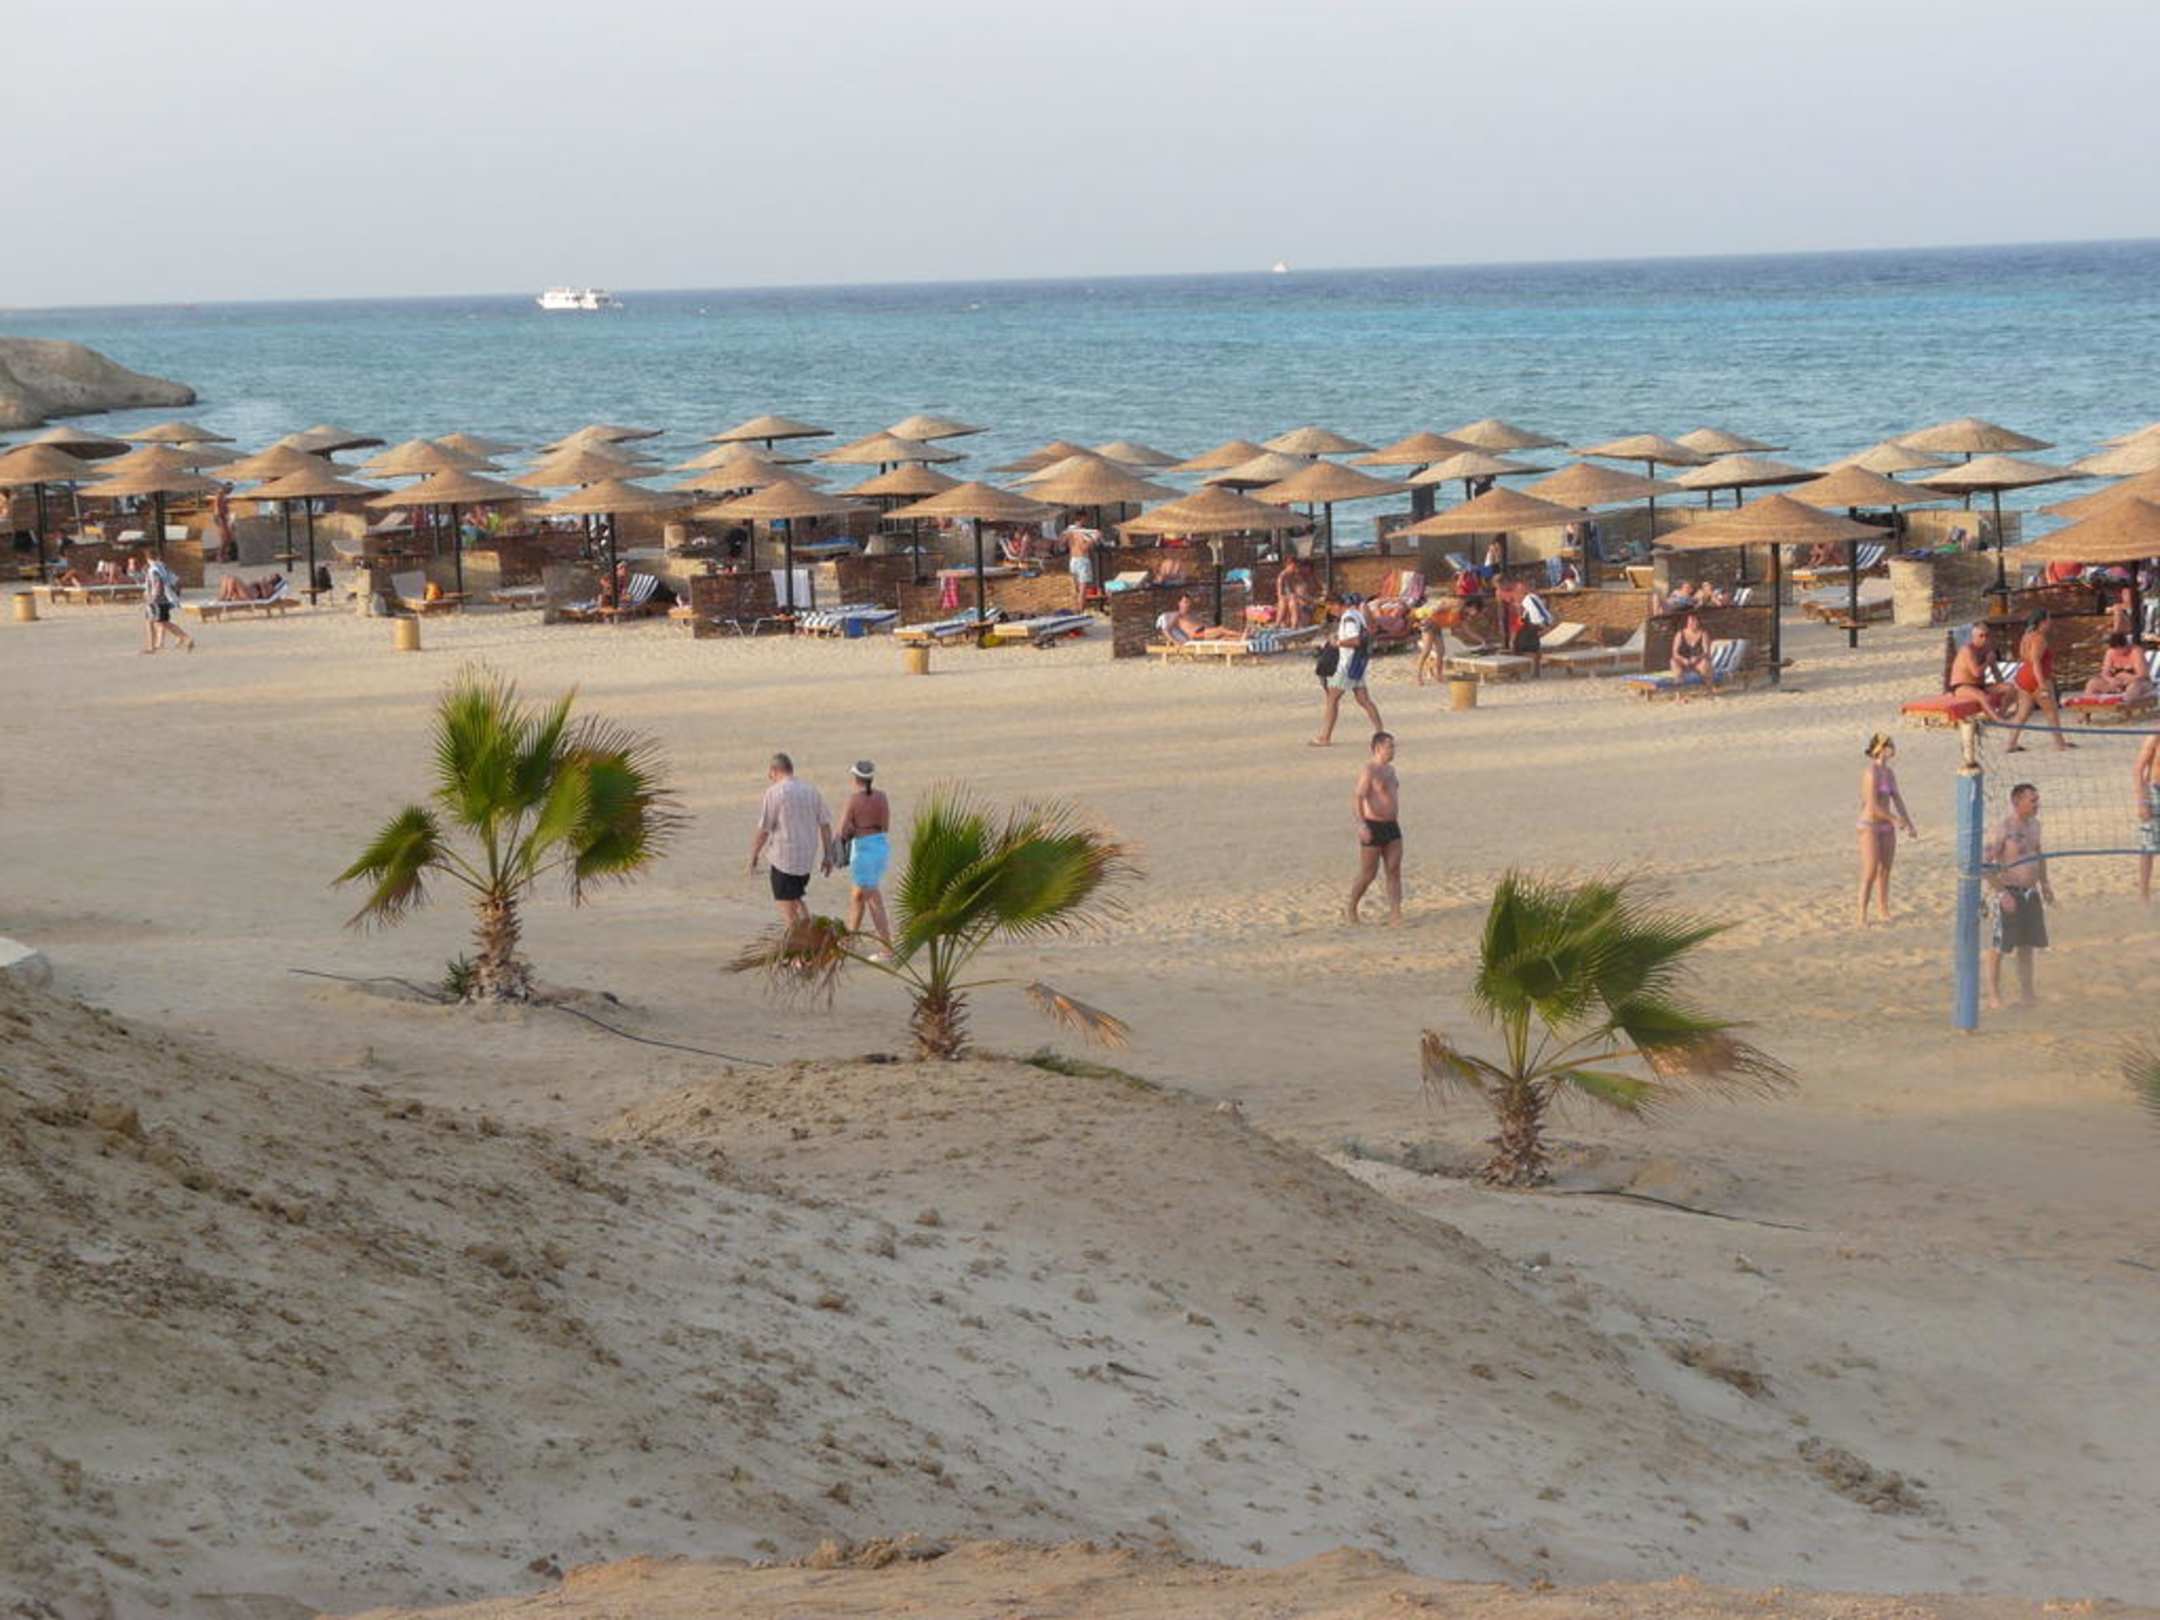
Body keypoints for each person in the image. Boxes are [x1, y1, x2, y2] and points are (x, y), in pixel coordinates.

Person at [1983, 783, 2053, 1011]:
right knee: (2000, 946)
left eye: (2037, 799)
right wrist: (2002, 893)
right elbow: (1984, 865)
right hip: (2009, 892)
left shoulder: (2035, 826)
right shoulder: (2004, 828)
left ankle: (2027, 994)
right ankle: (1994, 996)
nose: (2037, 804)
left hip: (2030, 893)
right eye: (2033, 800)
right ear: (2017, 802)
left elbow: (2039, 855)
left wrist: (2045, 883)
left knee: (2027, 946)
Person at [746, 752, 833, 929]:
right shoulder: (811, 790)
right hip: (806, 862)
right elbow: (825, 825)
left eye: (770, 774)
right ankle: (812, 937)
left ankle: (798, 945)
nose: (769, 778)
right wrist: (828, 855)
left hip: (784, 860)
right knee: (797, 898)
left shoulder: (774, 792)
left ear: (774, 771)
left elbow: (764, 829)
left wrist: (753, 856)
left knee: (788, 913)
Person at [1856, 733, 1918, 925]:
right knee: (1870, 870)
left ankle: (1883, 909)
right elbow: (1873, 805)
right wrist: (1894, 819)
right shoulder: (1871, 772)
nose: (1893, 747)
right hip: (1869, 825)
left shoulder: (1889, 773)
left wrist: (1908, 822)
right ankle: (1862, 914)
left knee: (1885, 869)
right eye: (1889, 744)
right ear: (1880, 749)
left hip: (1886, 826)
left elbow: (1897, 798)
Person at [1347, 731, 1403, 925]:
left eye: (1393, 746)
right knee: (1368, 873)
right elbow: (1358, 798)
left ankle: (1395, 913)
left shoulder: (1391, 770)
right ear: (1378, 748)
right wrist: (1361, 824)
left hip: (1392, 825)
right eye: (1390, 747)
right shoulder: (1369, 770)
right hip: (1373, 825)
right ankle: (1352, 906)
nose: (1393, 750)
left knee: (1394, 869)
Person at [1312, 595, 1383, 746]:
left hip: (1347, 665)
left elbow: (1355, 641)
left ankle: (1325, 737)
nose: (1331, 612)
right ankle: (1380, 732)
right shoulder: (1356, 614)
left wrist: (1337, 642)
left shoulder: (1348, 618)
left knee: (1332, 699)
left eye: (1331, 608)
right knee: (1364, 700)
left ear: (1337, 605)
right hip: (1357, 663)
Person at [836, 760, 893, 947]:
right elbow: (885, 826)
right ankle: (850, 939)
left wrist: (851, 832)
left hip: (863, 850)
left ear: (856, 779)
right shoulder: (882, 797)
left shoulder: (853, 800)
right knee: (858, 895)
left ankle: (887, 947)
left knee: (873, 899)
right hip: (880, 847)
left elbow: (842, 829)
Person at [2003, 609, 2073, 753]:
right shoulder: (2039, 639)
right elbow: (2036, 663)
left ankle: (2011, 743)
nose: (2050, 622)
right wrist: (2042, 685)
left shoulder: (2026, 636)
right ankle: (2060, 743)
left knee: (2022, 713)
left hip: (2024, 676)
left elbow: (2023, 656)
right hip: (2037, 677)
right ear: (2042, 622)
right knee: (2051, 712)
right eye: (2048, 619)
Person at [1949, 622, 2013, 721]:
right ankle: (1997, 719)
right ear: (1974, 637)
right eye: (1981, 636)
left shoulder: (1987, 650)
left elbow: (1996, 672)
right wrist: (1988, 661)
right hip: (1962, 686)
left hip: (1980, 686)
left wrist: (2001, 685)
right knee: (1982, 696)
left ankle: (2001, 713)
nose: (1984, 638)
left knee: (2010, 688)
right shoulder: (1967, 650)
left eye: (1987, 635)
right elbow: (1976, 673)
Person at [140, 551, 193, 654]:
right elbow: (175, 581)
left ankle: (185, 638)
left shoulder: (154, 569)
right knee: (152, 621)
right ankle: (152, 646)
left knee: (162, 622)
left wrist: (153, 598)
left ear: (147, 559)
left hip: (157, 600)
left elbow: (158, 584)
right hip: (164, 599)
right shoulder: (163, 567)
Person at [2084, 633, 2153, 700]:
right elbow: (2105, 673)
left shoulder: (2136, 652)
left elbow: (2143, 675)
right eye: (2116, 649)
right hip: (2118, 684)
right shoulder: (2111, 652)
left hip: (2139, 683)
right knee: (2092, 683)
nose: (2118, 652)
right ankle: (2088, 704)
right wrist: (2111, 680)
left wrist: (2127, 677)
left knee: (2133, 688)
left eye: (2120, 649)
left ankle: (2125, 705)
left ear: (2126, 645)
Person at [2138, 731, 2160, 905]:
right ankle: (2144, 895)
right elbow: (2138, 770)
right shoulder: (2155, 736)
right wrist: (2142, 801)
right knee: (2148, 846)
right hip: (2155, 793)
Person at [1670, 610, 1714, 691]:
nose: (1691, 624)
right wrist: (1683, 659)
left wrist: (1697, 657)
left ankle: (1708, 689)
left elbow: (1706, 652)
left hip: (1698, 662)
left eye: (1694, 621)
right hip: (1683, 662)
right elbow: (1674, 652)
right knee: (1673, 662)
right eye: (1689, 622)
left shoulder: (1703, 634)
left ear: (1698, 622)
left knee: (1705, 663)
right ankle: (1679, 691)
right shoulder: (1680, 634)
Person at [1168, 593, 1241, 641]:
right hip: (1195, 635)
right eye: (1185, 602)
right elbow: (1167, 629)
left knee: (1223, 637)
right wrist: (1175, 641)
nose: (1187, 604)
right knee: (1221, 629)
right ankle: (1242, 635)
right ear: (1179, 603)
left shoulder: (1190, 614)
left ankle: (1241, 638)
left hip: (1201, 632)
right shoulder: (1177, 616)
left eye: (1189, 602)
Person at [1275, 555, 1317, 629]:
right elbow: (1281, 594)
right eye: (1294, 566)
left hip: (1306, 603)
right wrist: (1292, 596)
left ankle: (1292, 625)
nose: (1296, 568)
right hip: (1295, 602)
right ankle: (1280, 624)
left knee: (1292, 601)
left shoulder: (1309, 578)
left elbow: (1317, 593)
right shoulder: (1286, 577)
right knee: (1288, 601)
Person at [1065, 524, 1098, 610]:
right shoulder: (1080, 534)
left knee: (1075, 587)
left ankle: (1075, 608)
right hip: (1082, 560)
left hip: (1073, 560)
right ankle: (1080, 609)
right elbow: (1083, 548)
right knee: (1082, 588)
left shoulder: (1070, 534)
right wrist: (1093, 539)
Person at [1414, 609, 1443, 686]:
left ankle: (1438, 674)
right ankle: (1418, 676)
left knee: (1441, 651)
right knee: (1426, 650)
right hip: (1428, 623)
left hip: (1436, 623)